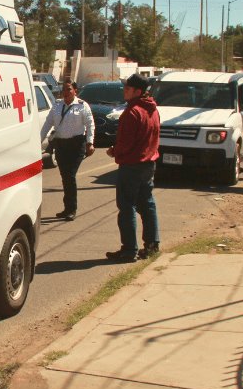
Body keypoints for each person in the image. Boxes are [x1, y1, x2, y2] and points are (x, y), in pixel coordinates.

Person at [105, 74, 160, 261]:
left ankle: (129, 250)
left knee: (127, 206)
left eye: (128, 88)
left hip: (132, 165)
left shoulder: (133, 112)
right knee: (147, 204)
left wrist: (115, 151)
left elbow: (126, 143)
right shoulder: (152, 109)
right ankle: (152, 244)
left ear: (138, 91)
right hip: (148, 163)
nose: (124, 90)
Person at [40, 80, 94, 221]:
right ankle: (67, 208)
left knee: (70, 176)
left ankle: (71, 209)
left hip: (76, 145)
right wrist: (38, 141)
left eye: (69, 89)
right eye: (64, 89)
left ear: (75, 90)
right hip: (61, 145)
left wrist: (90, 142)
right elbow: (47, 124)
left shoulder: (82, 106)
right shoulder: (57, 106)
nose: (66, 92)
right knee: (66, 177)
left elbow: (90, 124)